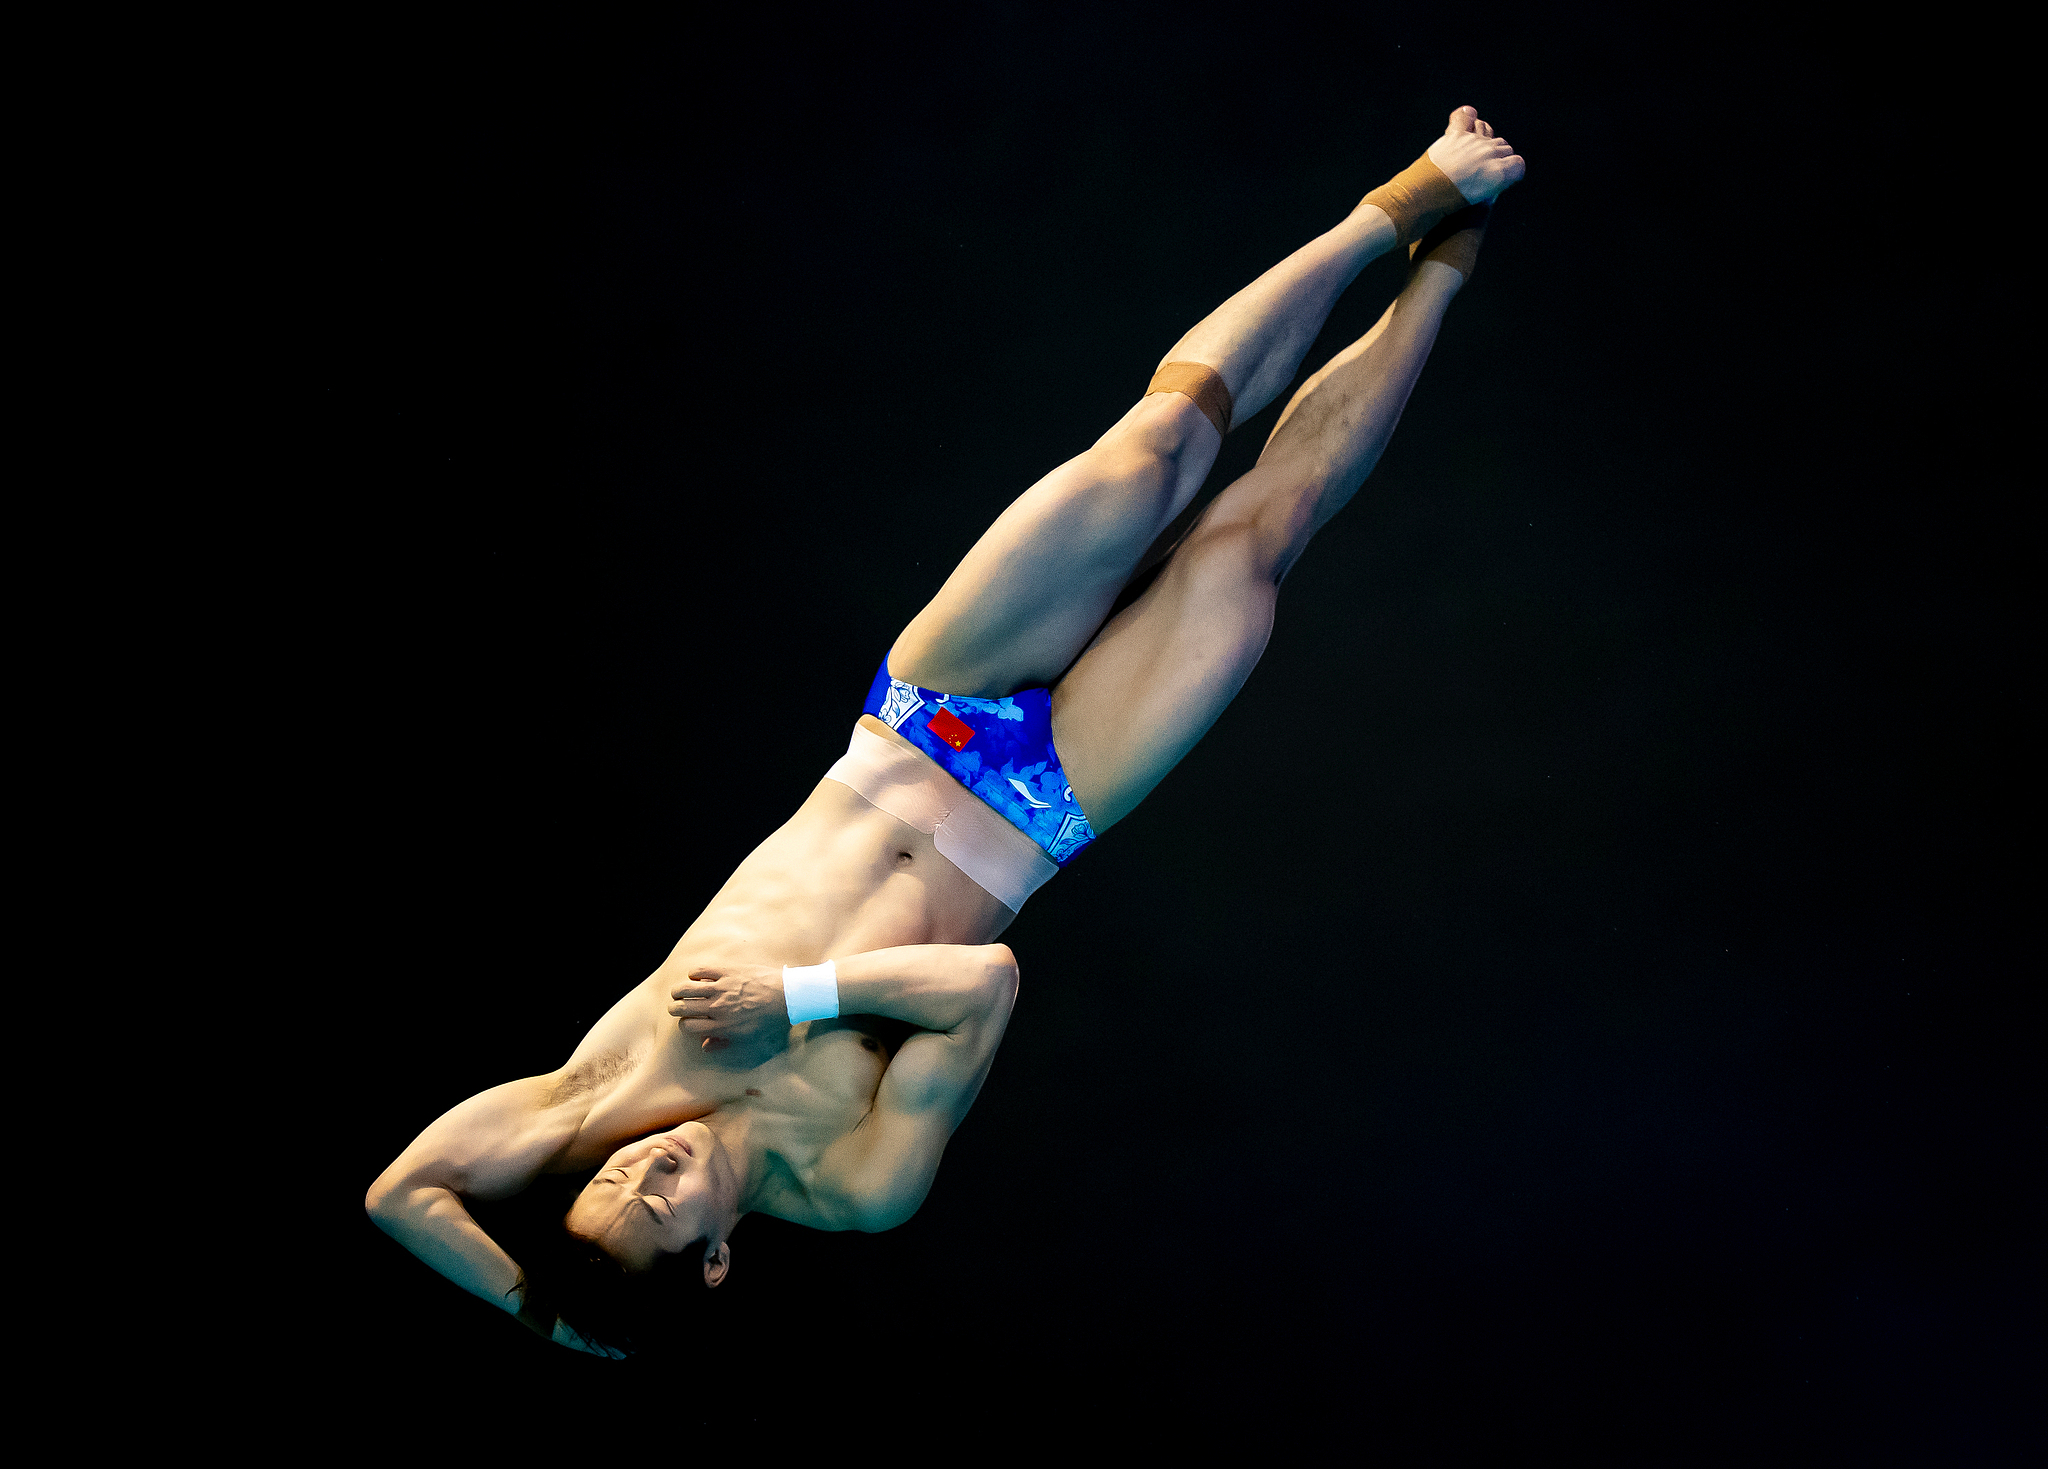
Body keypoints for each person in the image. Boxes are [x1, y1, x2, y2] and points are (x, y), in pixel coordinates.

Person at [366, 106, 1526, 1356]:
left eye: (610, 1185)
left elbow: (399, 1193)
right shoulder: (853, 1185)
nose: (646, 1167)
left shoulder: (596, 1100)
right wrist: (792, 998)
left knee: (1148, 454)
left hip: (917, 732)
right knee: (1256, 542)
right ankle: (1447, 266)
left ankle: (1395, 206)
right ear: (713, 1257)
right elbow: (982, 983)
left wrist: (552, 1319)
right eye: (660, 1204)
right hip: (1037, 812)